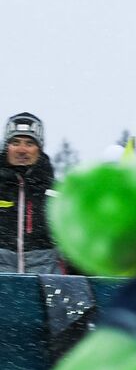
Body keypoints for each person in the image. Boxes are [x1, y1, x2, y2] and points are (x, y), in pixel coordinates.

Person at [0, 112, 62, 273]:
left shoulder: (57, 194)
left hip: (45, 287)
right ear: (6, 147)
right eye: (15, 142)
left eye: (29, 143)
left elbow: (76, 245)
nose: (22, 150)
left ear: (39, 149)